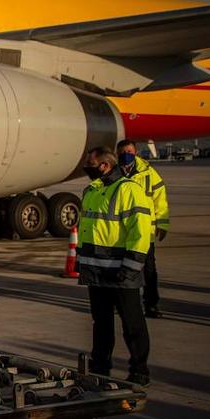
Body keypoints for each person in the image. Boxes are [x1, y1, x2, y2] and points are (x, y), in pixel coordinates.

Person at [77, 147, 152, 386]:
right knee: (101, 324)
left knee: (132, 324)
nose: (86, 168)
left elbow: (141, 232)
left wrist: (131, 268)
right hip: (96, 271)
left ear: (105, 165)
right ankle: (100, 368)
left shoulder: (129, 190)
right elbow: (87, 230)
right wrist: (82, 262)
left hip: (122, 271)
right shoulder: (91, 191)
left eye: (90, 164)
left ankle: (139, 371)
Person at [117, 139, 169, 318]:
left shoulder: (149, 173)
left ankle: (151, 304)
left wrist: (162, 223)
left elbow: (160, 200)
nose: (126, 155)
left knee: (149, 271)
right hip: (120, 233)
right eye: (123, 152)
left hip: (144, 232)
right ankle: (120, 304)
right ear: (117, 154)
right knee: (120, 270)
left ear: (136, 152)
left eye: (129, 152)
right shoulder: (114, 173)